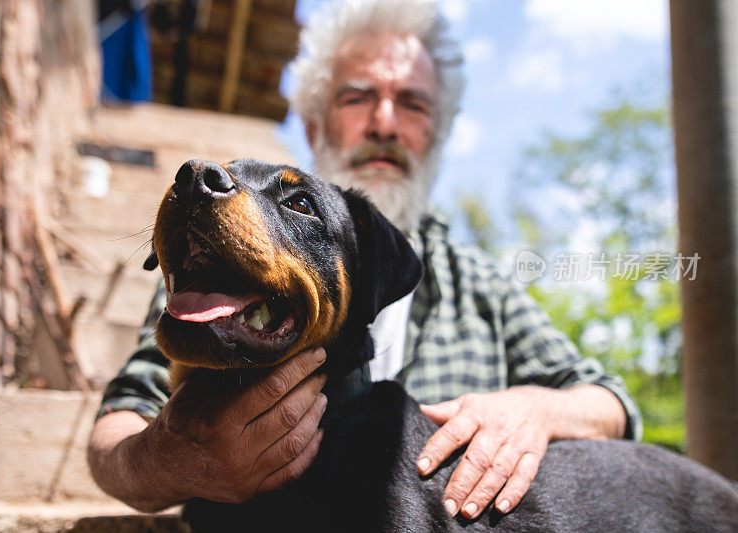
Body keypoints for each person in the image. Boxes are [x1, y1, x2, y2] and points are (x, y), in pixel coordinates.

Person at [88, 0, 642, 522]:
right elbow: (119, 426)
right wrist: (169, 460)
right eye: (357, 97)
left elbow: (609, 402)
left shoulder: (480, 281)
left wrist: (533, 410)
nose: (384, 122)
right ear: (313, 125)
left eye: (412, 103)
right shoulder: (225, 266)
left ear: (435, 134)